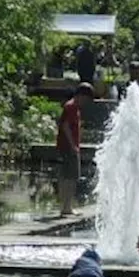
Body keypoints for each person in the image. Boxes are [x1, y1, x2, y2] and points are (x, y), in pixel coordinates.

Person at [55, 83, 94, 217]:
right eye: (86, 99)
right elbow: (65, 126)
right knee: (70, 177)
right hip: (68, 147)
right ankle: (66, 207)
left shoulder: (73, 107)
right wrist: (73, 145)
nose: (86, 102)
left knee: (69, 177)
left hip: (69, 146)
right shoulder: (71, 107)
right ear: (81, 95)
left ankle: (67, 206)